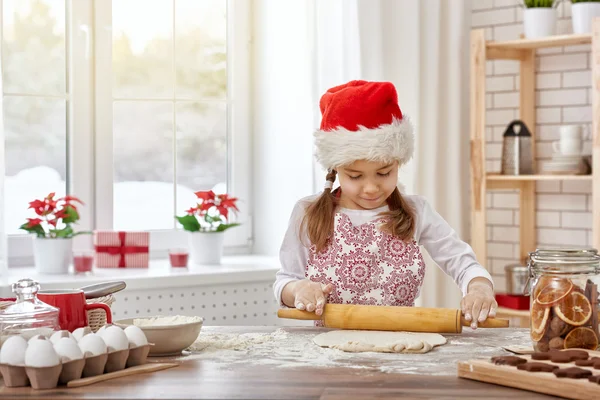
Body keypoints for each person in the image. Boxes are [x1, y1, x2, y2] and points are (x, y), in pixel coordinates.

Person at [274, 80, 497, 329]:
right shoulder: (308, 212)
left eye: (383, 173)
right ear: (335, 168)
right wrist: (299, 289)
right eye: (355, 176)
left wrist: (479, 287)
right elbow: (285, 281)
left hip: (399, 349)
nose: (371, 188)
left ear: (398, 164)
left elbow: (461, 261)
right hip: (325, 352)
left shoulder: (416, 212)